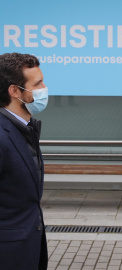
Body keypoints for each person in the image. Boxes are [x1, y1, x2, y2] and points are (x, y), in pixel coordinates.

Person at [0, 53, 48, 269]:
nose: (44, 88)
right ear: (14, 91)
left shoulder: (25, 128)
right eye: (37, 84)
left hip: (28, 249)